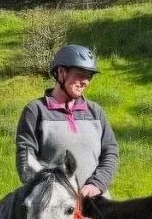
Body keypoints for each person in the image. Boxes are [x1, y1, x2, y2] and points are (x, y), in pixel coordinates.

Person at [15, 44, 118, 199]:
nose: (85, 82)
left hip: (95, 201)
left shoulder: (95, 112)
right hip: (53, 207)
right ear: (61, 72)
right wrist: (46, 195)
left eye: (89, 76)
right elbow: (26, 159)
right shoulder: (35, 111)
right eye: (80, 74)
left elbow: (110, 152)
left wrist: (97, 183)